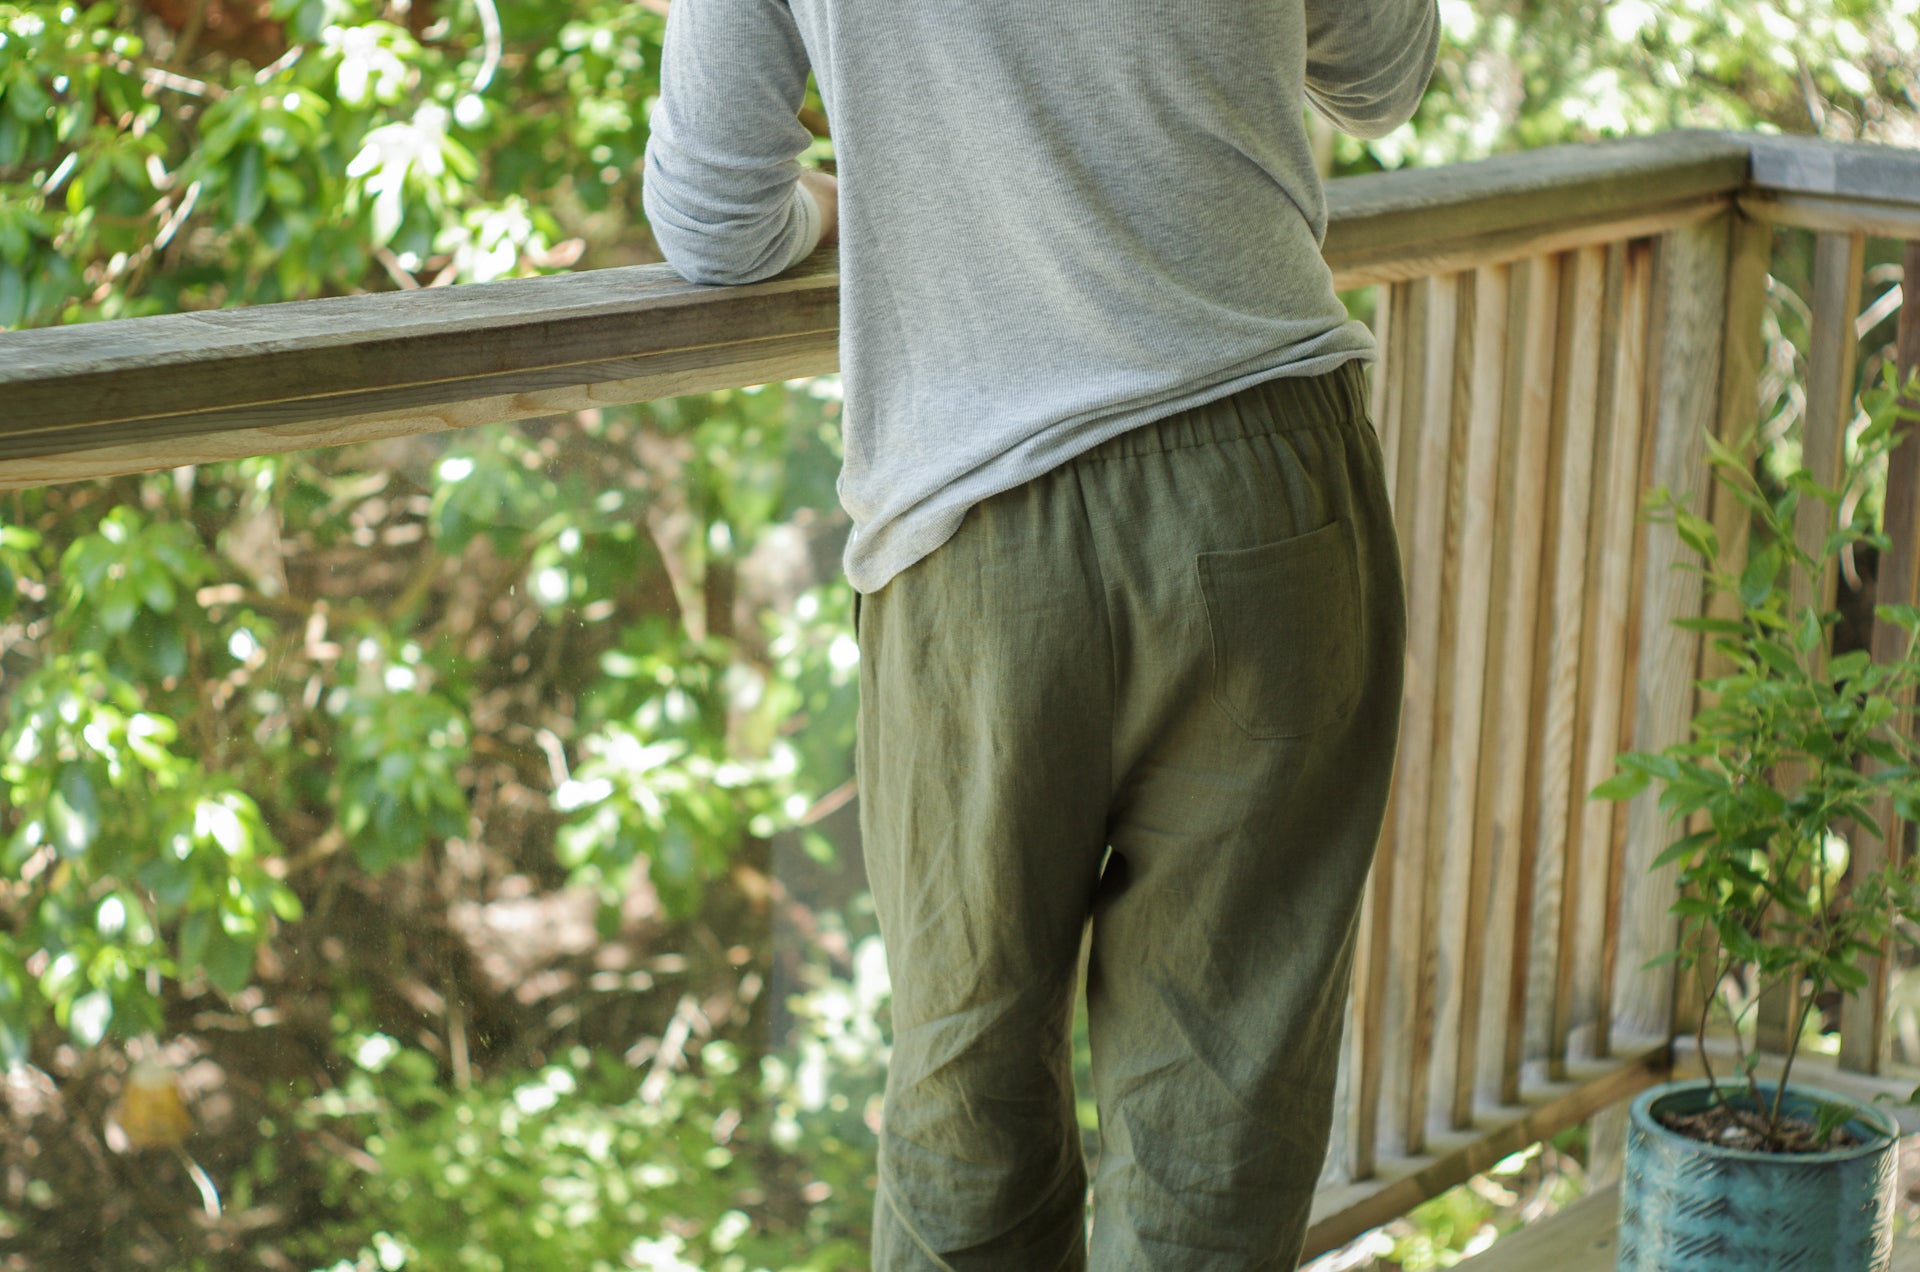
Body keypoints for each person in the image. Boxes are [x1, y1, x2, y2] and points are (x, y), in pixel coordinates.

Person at [643, 1, 1437, 1266]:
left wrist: (849, 209)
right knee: (1220, 1121)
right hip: (1267, 489)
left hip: (979, 529)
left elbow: (714, 225)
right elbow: (1383, 76)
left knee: (967, 1106)